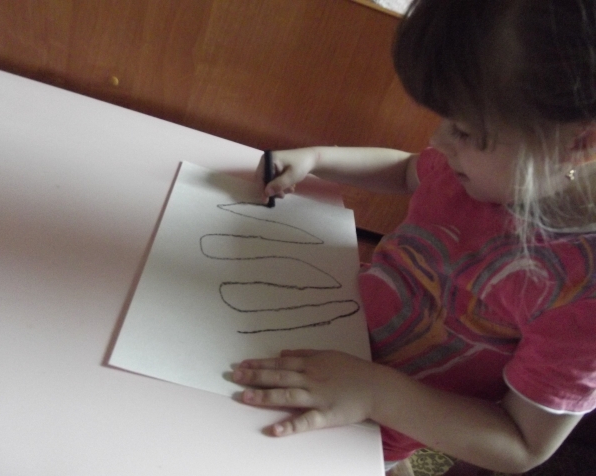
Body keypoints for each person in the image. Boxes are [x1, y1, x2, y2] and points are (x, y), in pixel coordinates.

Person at [231, 0, 596, 473]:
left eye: (463, 130)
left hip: (372, 423)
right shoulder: (476, 169)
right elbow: (408, 170)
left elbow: (522, 445)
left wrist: (373, 392)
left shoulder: (582, 297)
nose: (438, 141)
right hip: (327, 335)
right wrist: (320, 158)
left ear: (580, 143)